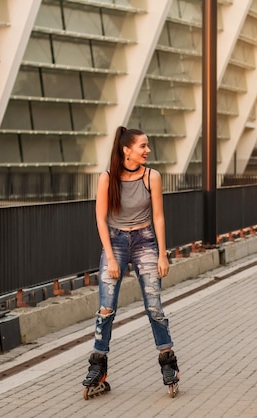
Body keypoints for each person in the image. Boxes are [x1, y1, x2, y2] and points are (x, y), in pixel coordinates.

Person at [82, 126, 179, 398]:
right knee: (106, 308)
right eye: (143, 146)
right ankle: (98, 366)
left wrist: (162, 253)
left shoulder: (152, 177)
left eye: (147, 146)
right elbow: (100, 218)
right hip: (115, 242)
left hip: (145, 241)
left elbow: (158, 217)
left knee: (154, 306)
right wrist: (111, 257)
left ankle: (168, 362)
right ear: (127, 150)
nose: (147, 150)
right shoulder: (107, 178)